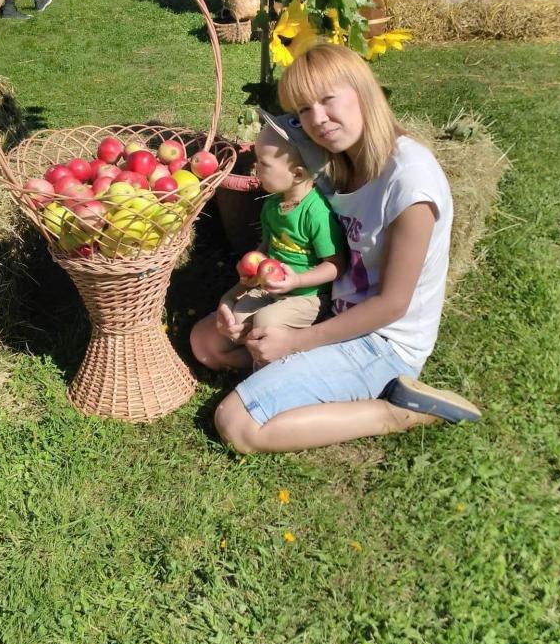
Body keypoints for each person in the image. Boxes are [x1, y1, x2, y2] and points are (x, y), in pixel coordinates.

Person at [191, 45, 482, 454]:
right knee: (208, 343)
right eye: (304, 109)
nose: (317, 120)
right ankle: (287, 370)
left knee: (236, 424)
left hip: (382, 341)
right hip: (330, 306)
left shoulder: (410, 184)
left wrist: (294, 344)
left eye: (328, 99)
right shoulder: (338, 161)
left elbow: (392, 306)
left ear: (363, 91)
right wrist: (245, 292)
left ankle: (396, 410)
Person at [215, 122, 347, 370]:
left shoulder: (316, 213)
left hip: (309, 296)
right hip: (273, 287)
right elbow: (269, 243)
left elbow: (335, 265)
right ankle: (266, 362)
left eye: (263, 164)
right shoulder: (273, 205)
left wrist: (297, 281)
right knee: (239, 315)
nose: (255, 168)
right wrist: (255, 261)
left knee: (266, 321)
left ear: (297, 174)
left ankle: (267, 380)